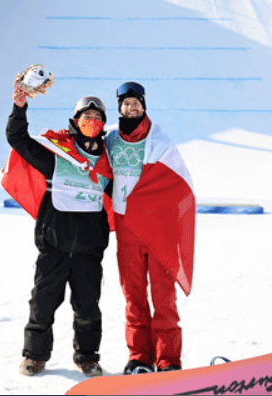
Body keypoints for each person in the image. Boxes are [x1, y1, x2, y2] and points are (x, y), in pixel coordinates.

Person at [1, 84, 114, 378]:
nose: (91, 121)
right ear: (75, 122)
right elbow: (18, 139)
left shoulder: (109, 162)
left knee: (88, 307)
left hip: (89, 250)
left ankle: (87, 357)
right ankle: (34, 356)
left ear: (103, 125)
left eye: (96, 117)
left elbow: (129, 192)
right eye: (85, 116)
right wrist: (19, 107)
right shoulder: (56, 156)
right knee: (42, 303)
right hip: (54, 245)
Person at [105, 82, 195, 374]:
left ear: (144, 106)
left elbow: (178, 183)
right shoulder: (111, 140)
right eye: (126, 104)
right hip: (127, 229)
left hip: (157, 230)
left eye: (136, 103)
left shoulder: (160, 140)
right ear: (119, 108)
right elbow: (92, 164)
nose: (131, 108)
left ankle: (168, 360)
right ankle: (139, 358)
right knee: (134, 297)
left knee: (163, 297)